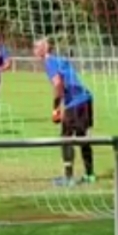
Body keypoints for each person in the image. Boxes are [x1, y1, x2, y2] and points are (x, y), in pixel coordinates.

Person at [35, 38, 95, 186]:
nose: (34, 50)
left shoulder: (49, 62)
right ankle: (89, 175)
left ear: (44, 49)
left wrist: (56, 108)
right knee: (83, 137)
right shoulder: (59, 59)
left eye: (36, 47)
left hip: (75, 102)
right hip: (86, 99)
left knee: (65, 138)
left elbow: (58, 84)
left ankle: (68, 178)